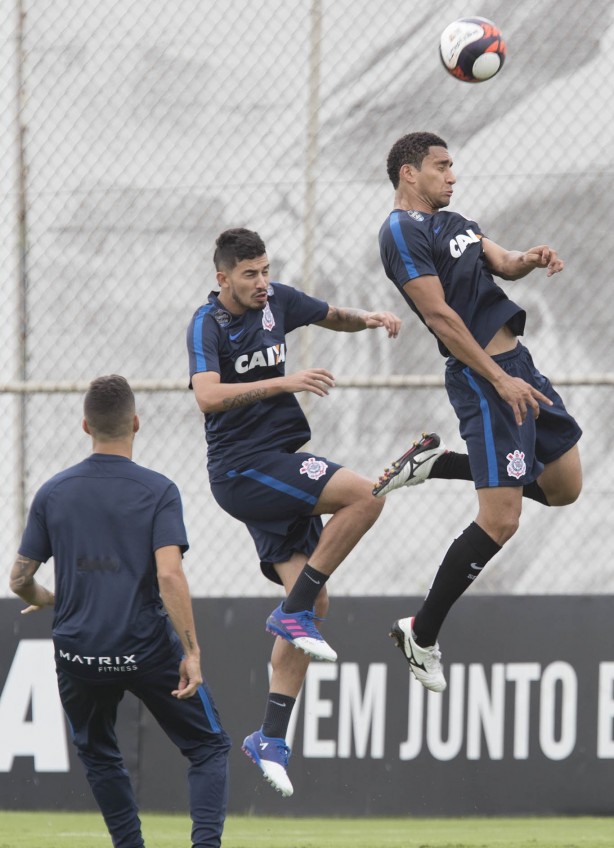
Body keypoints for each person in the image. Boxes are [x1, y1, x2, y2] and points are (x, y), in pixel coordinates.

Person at [187, 227, 402, 797]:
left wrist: (371, 317)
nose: (262, 282)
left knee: (314, 599)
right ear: (223, 278)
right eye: (249, 274)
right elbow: (207, 396)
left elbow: (330, 314)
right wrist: (284, 381)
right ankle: (293, 613)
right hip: (241, 469)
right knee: (365, 495)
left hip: (276, 463)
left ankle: (270, 737)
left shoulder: (278, 300)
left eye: (264, 270)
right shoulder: (208, 325)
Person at [8, 375, 243, 848]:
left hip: (77, 653)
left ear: (85, 426)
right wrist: (193, 651)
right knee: (208, 746)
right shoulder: (158, 490)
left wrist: (47, 600)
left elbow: (19, 579)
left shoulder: (53, 492)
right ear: (135, 423)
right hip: (146, 648)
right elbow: (169, 575)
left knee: (98, 751)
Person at [374, 131, 582, 693]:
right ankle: (421, 632)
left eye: (452, 166)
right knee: (502, 519)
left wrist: (531, 259)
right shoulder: (400, 231)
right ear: (408, 174)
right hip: (484, 379)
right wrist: (496, 378)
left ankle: (440, 463)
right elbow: (440, 317)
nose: (452, 175)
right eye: (441, 166)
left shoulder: (456, 220)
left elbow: (502, 263)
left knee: (564, 486)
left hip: (519, 365)